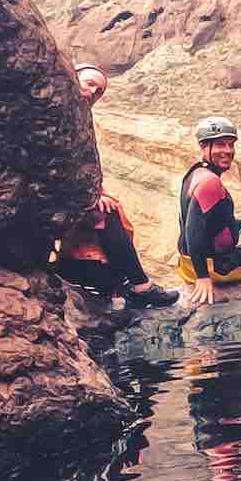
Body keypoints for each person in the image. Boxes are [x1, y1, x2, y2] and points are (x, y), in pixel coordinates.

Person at [54, 61, 179, 314]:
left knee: (109, 210)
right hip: (51, 196)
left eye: (98, 91)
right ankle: (140, 286)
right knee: (108, 212)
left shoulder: (78, 117)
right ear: (72, 78)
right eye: (89, 84)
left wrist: (94, 193)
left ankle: (125, 284)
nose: (92, 93)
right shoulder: (57, 110)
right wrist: (91, 198)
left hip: (67, 197)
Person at [177, 115, 241, 307]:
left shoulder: (196, 173)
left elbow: (211, 220)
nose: (227, 151)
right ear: (204, 147)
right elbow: (192, 231)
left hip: (193, 263)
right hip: (218, 267)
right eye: (220, 145)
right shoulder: (210, 181)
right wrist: (203, 277)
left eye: (230, 145)